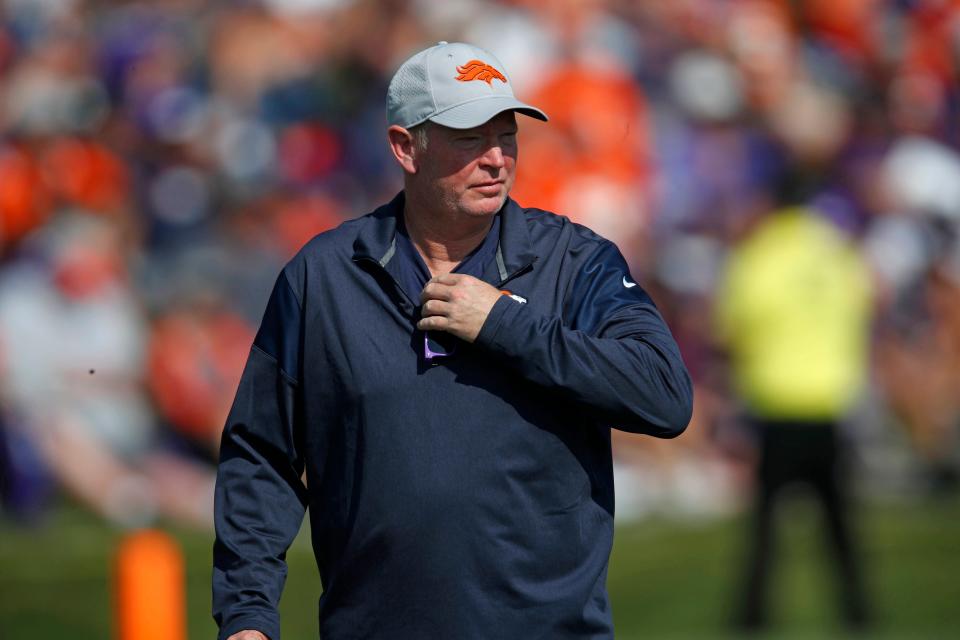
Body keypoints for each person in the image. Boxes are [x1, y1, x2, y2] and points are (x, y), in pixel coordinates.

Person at [213, 41, 693, 640]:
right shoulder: (325, 277)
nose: (497, 159)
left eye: (507, 135)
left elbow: (665, 396)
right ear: (404, 147)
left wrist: (506, 325)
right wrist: (247, 616)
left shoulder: (575, 262)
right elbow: (262, 455)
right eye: (470, 138)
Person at [715, 203, 872, 631]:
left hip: (778, 402)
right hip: (829, 402)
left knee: (766, 528)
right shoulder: (836, 251)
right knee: (840, 525)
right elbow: (863, 305)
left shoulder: (758, 255)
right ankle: (858, 611)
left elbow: (731, 326)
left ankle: (753, 615)